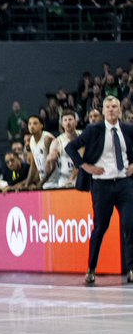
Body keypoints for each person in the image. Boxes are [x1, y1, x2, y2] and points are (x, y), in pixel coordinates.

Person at [66, 96, 133, 285]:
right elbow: (70, 147)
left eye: (115, 107)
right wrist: (85, 166)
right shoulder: (94, 130)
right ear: (103, 111)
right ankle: (91, 268)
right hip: (102, 185)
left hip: (124, 183)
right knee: (101, 227)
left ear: (120, 110)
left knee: (130, 224)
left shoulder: (128, 129)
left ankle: (131, 269)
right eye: (108, 107)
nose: (111, 110)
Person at [43, 109, 80, 188]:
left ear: (76, 122)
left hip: (81, 177)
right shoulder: (57, 141)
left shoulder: (83, 136)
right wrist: (49, 159)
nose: (68, 122)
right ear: (62, 124)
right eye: (65, 120)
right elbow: (49, 169)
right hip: (64, 178)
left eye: (70, 119)